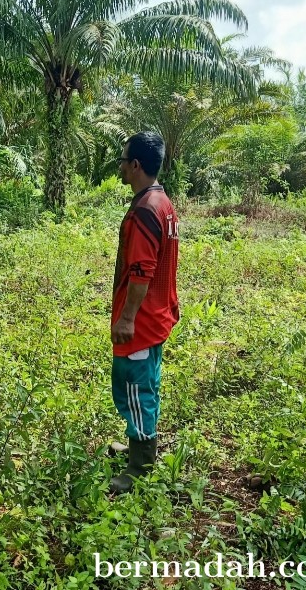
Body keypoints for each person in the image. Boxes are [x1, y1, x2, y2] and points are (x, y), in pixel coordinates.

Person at [109, 131, 180, 494]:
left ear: (135, 165)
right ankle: (138, 444)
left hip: (142, 320)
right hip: (158, 314)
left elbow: (142, 270)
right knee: (147, 383)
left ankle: (139, 465)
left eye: (123, 160)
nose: (120, 166)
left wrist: (127, 317)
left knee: (134, 388)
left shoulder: (144, 210)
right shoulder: (163, 203)